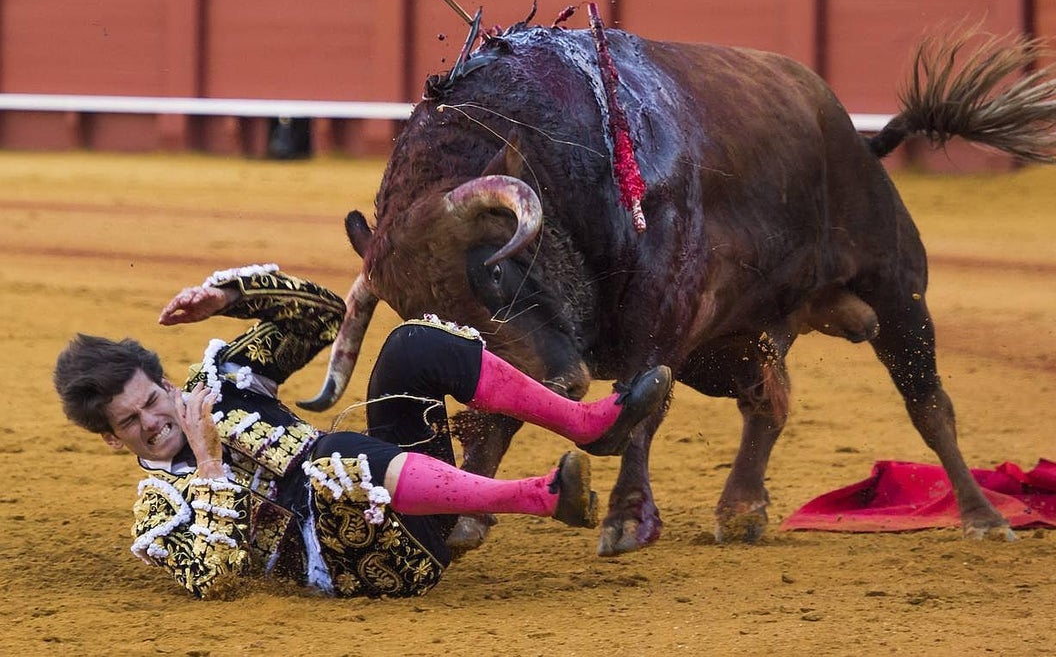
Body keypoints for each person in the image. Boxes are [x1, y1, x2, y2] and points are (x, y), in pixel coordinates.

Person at [53, 263, 671, 600]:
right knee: (332, 455)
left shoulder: (225, 382)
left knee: (412, 345)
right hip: (370, 562)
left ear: (163, 380)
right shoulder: (159, 508)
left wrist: (232, 295)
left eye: (150, 401)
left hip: (409, 494)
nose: (152, 422)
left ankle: (590, 425)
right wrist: (211, 467)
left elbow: (323, 317)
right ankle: (540, 496)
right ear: (112, 439)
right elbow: (212, 577)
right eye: (129, 424)